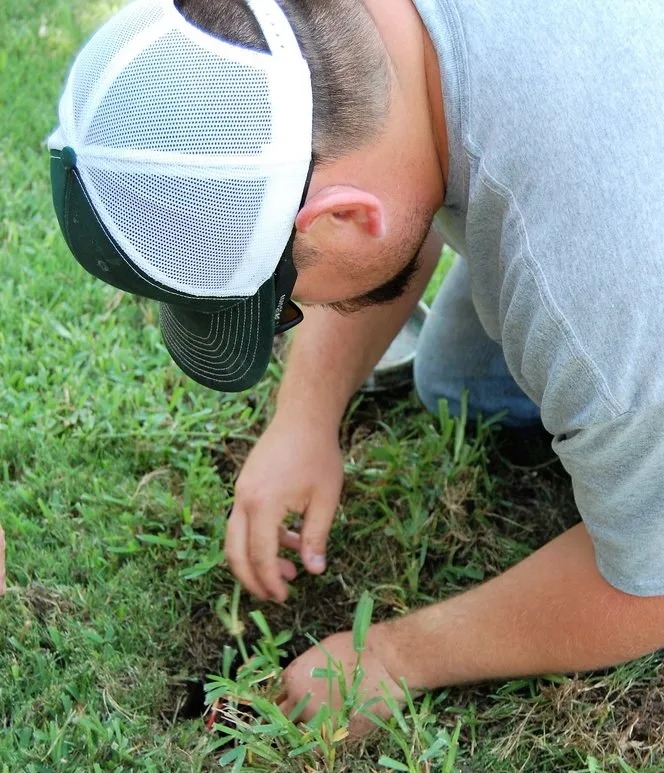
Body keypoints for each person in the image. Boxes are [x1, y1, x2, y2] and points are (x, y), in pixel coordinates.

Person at [50, 0, 664, 734]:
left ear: (344, 217)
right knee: (459, 388)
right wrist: (304, 416)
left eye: (284, 300)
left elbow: (649, 589)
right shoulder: (370, 38)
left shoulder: (599, 298)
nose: (294, 312)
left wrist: (394, 657)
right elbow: (398, 186)